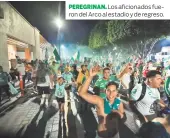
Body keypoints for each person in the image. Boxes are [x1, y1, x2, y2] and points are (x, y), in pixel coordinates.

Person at [79, 66, 126, 138]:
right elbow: (82, 93)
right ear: (105, 91)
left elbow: (123, 119)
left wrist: (117, 112)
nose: (111, 94)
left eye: (114, 91)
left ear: (117, 92)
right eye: (108, 91)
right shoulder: (100, 102)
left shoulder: (119, 103)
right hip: (102, 135)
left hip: (115, 135)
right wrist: (90, 76)